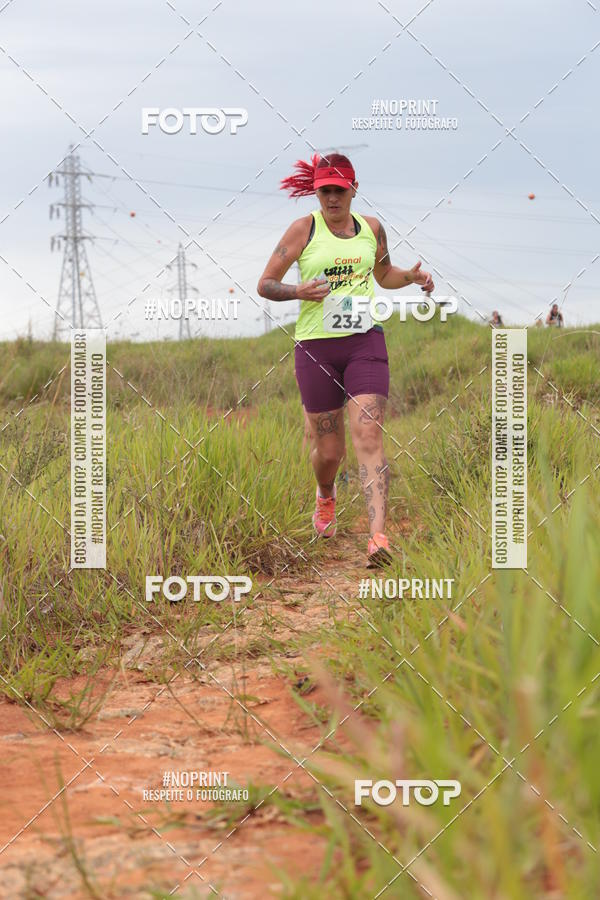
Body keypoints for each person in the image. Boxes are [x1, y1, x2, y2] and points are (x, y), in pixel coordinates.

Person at [257, 153, 434, 567]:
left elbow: (384, 275)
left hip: (364, 342)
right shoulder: (304, 229)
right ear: (316, 191)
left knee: (369, 437)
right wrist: (298, 292)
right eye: (324, 191)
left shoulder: (372, 228)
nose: (332, 198)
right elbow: (266, 284)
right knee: (330, 451)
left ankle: (378, 539)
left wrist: (411, 277)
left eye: (339, 190)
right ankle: (325, 495)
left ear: (354, 189)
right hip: (316, 348)